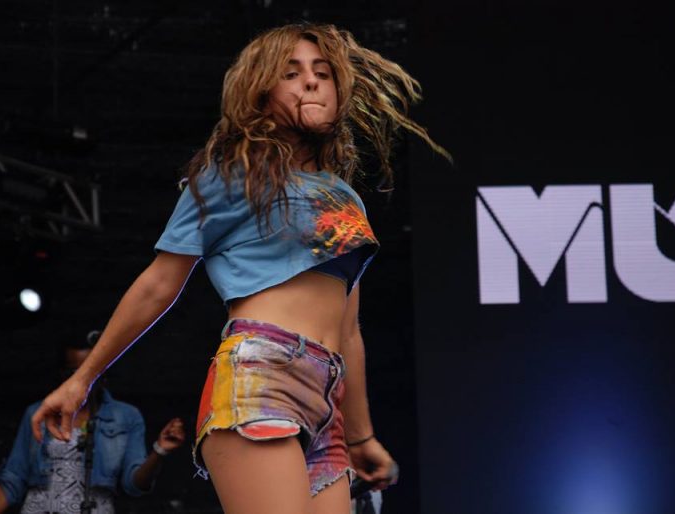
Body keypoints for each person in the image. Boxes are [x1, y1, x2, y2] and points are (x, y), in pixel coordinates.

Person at [30, 22, 450, 514]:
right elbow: (159, 283)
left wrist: (361, 435)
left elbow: (349, 329)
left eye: (322, 73)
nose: (311, 81)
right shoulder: (233, 174)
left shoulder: (345, 197)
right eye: (291, 73)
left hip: (327, 403)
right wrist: (81, 380)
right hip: (262, 374)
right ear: (261, 92)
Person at [0, 330, 186, 514]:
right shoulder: (40, 412)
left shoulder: (126, 416)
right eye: (72, 372)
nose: (80, 380)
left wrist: (160, 450)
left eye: (88, 372)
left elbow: (134, 485)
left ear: (102, 372)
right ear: (61, 373)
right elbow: (13, 479)